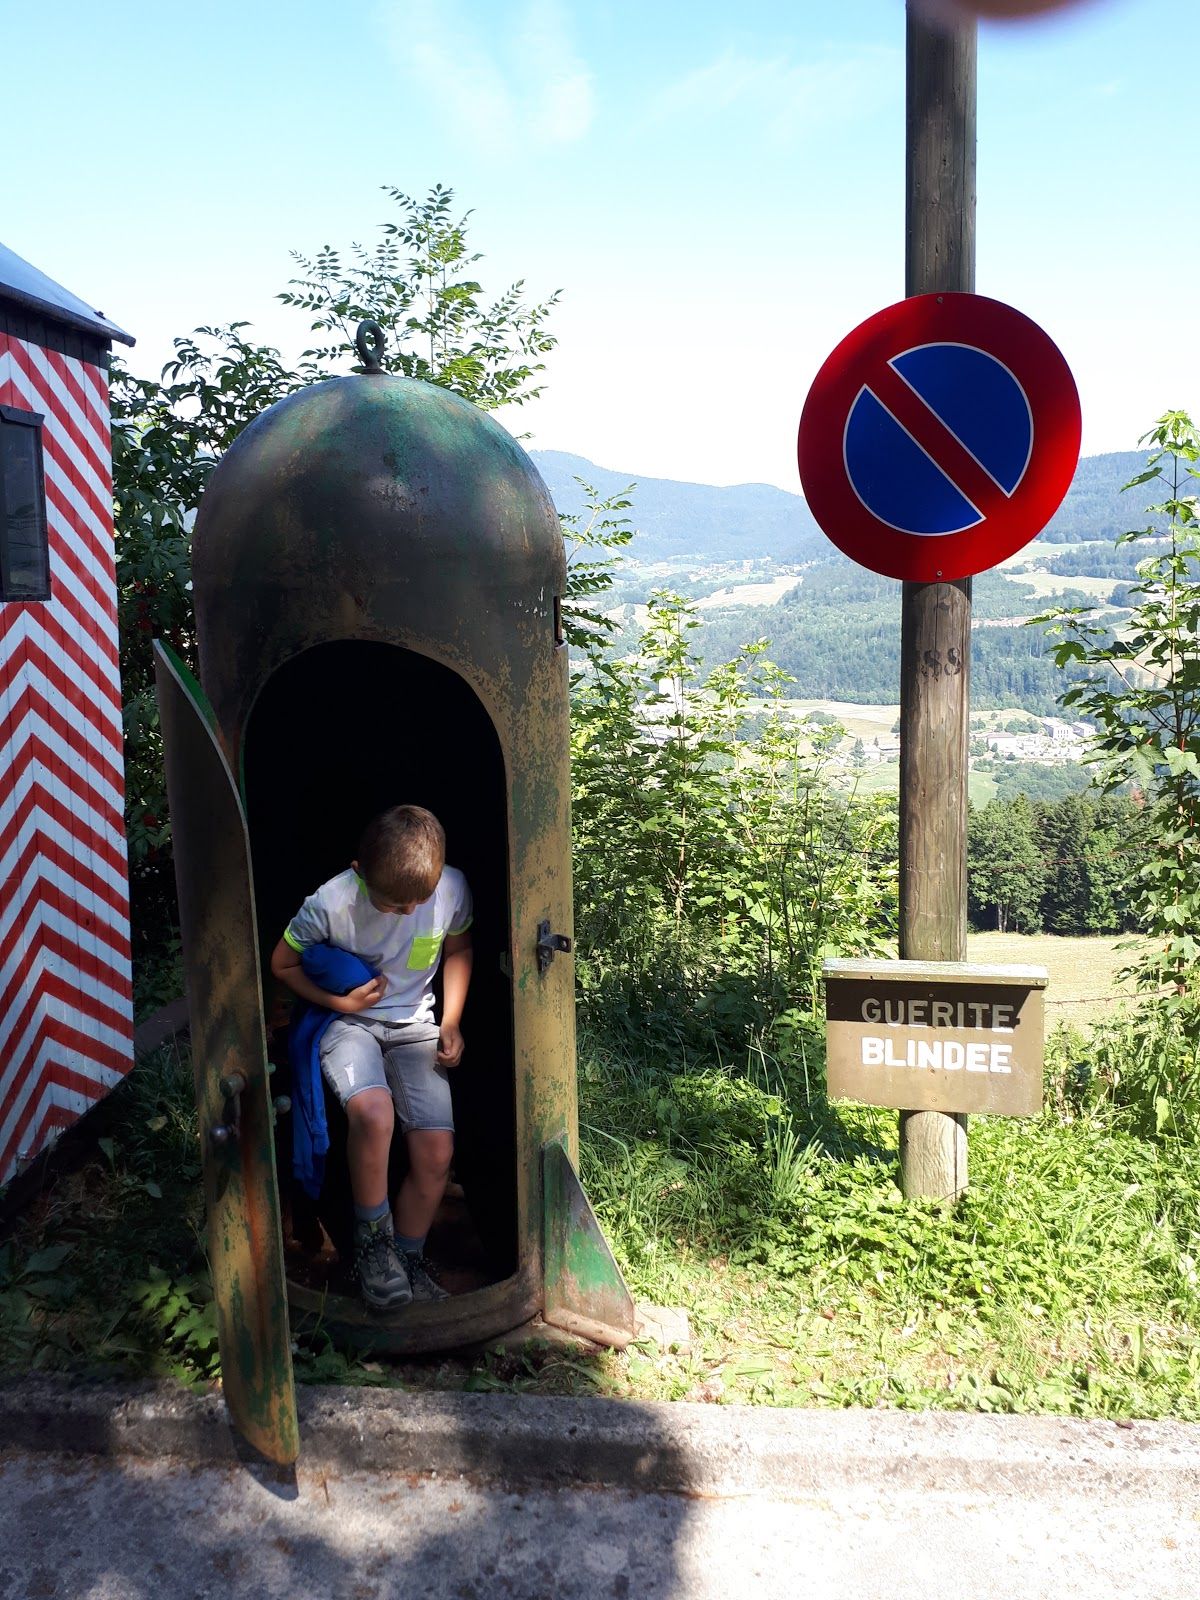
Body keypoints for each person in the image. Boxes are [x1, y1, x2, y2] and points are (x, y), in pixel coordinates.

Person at [269, 805, 473, 1311]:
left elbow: (459, 948)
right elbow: (281, 963)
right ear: (359, 871)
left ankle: (408, 1256)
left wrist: (451, 1021)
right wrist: (342, 1003)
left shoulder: (451, 887)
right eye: (392, 903)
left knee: (437, 1153)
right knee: (373, 1115)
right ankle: (375, 1253)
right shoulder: (330, 902)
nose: (407, 912)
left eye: (416, 902)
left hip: (416, 1027)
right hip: (349, 1023)